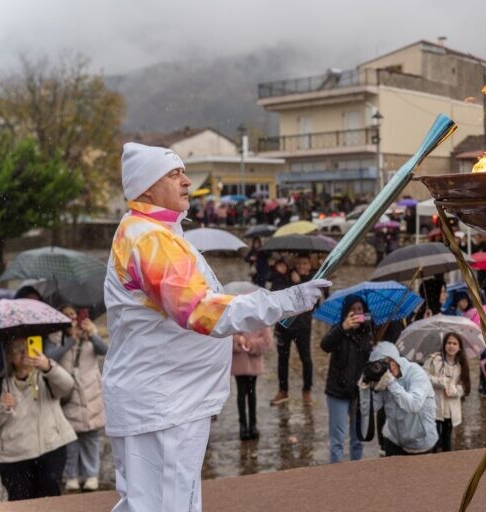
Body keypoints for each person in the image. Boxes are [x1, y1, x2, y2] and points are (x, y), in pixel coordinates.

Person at [104, 142, 330, 511]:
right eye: (173, 174)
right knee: (167, 505)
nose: (186, 181)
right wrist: (286, 300)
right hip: (164, 402)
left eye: (183, 172)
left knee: (154, 504)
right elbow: (200, 311)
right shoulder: (150, 240)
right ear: (145, 186)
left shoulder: (157, 234)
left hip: (166, 399)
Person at [0, 337, 76, 501]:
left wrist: (48, 366)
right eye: (18, 349)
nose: (24, 353)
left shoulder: (46, 375)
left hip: (49, 449)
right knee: (21, 504)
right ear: (9, 356)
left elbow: (67, 386)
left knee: (50, 502)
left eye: (28, 346)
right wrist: (2, 408)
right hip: (14, 456)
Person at [44, 305, 108, 492]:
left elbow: (104, 349)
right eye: (67, 315)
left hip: (90, 394)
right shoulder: (55, 337)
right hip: (68, 394)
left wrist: (92, 334)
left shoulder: (89, 333)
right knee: (70, 440)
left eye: (74, 314)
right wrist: (70, 341)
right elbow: (50, 357)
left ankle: (91, 475)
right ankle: (71, 476)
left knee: (91, 437)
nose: (71, 318)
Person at [359, 342, 438, 456]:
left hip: (420, 442)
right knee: (392, 474)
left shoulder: (416, 373)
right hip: (393, 439)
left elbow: (413, 405)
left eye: (388, 362)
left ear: (396, 359)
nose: (387, 368)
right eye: (380, 365)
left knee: (417, 474)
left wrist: (391, 383)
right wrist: (365, 389)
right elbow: (368, 410)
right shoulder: (382, 378)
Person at [320, 295, 373, 463]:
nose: (357, 313)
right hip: (338, 391)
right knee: (338, 440)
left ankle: (355, 474)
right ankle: (336, 476)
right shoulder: (339, 329)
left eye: (360, 309)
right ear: (346, 312)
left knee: (358, 438)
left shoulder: (369, 331)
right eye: (353, 310)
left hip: (360, 392)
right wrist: (343, 328)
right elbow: (325, 345)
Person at [270, 255, 315, 405]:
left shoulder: (313, 280)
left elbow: (314, 302)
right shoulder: (285, 276)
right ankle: (283, 390)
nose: (302, 266)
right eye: (299, 263)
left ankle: (306, 390)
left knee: (306, 359)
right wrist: (285, 276)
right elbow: (276, 295)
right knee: (283, 359)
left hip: (302, 326)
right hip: (284, 325)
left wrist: (300, 283)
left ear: (309, 265)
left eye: (305, 263)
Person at [423, 332, 471, 452]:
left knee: (447, 438)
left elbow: (464, 387)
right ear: (444, 345)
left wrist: (454, 390)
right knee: (433, 439)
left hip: (450, 408)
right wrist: (440, 381)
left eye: (455, 343)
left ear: (459, 347)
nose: (451, 346)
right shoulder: (434, 359)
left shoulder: (462, 365)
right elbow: (423, 377)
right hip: (435, 404)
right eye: (449, 343)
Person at [232, 327, 273, 440]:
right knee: (241, 392)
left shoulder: (260, 318)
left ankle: (253, 424)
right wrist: (238, 340)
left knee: (251, 392)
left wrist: (252, 344)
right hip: (239, 361)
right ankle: (243, 425)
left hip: (253, 362)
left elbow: (267, 340)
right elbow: (226, 336)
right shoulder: (236, 314)